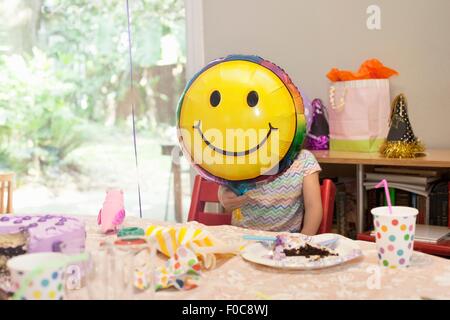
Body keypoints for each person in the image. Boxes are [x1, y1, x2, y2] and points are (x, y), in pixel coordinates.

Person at [218, 150, 322, 235]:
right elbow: (225, 189)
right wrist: (223, 196)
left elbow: (313, 207)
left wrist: (303, 241)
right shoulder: (240, 156)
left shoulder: (303, 159)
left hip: (285, 242)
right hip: (242, 238)